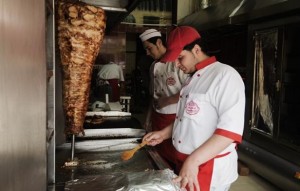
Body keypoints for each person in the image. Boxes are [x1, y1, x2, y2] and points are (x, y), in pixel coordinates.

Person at [143, 26, 245, 191]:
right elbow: (185, 119)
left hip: (209, 168)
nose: (176, 64)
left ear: (196, 50)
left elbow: (229, 132)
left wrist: (193, 161)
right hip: (187, 164)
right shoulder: (192, 80)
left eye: (180, 58)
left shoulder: (225, 76)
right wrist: (163, 134)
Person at [139, 29, 189, 169]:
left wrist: (166, 100)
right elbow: (152, 96)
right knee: (158, 154)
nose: (147, 53)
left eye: (149, 48)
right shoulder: (153, 66)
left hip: (174, 117)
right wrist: (148, 119)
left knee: (175, 155)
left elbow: (190, 92)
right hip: (157, 118)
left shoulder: (177, 63)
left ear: (159, 43)